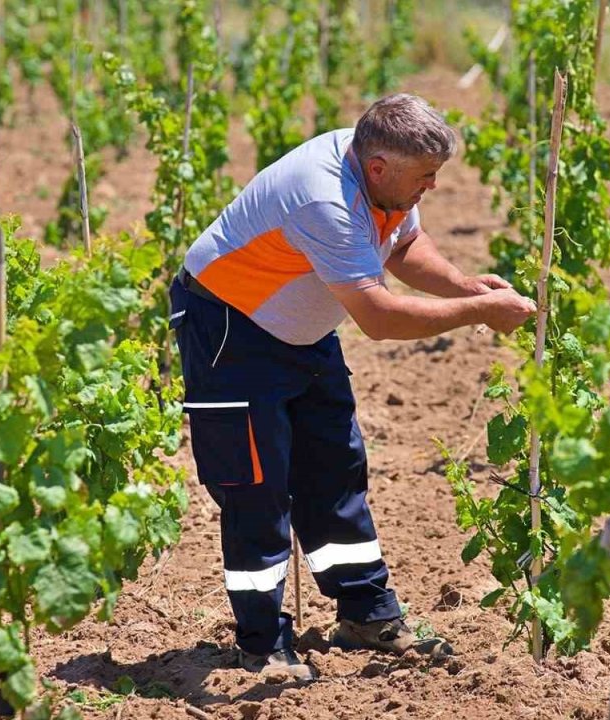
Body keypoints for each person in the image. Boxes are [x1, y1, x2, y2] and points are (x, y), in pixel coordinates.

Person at [168, 93, 536, 681]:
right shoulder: (325, 198)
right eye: (426, 177)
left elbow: (406, 246)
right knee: (256, 487)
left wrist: (468, 287)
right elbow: (381, 319)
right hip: (230, 326)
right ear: (378, 167)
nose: (432, 188)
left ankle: (365, 614)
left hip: (301, 327)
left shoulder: (384, 174)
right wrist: (480, 313)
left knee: (335, 464)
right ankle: (262, 643)